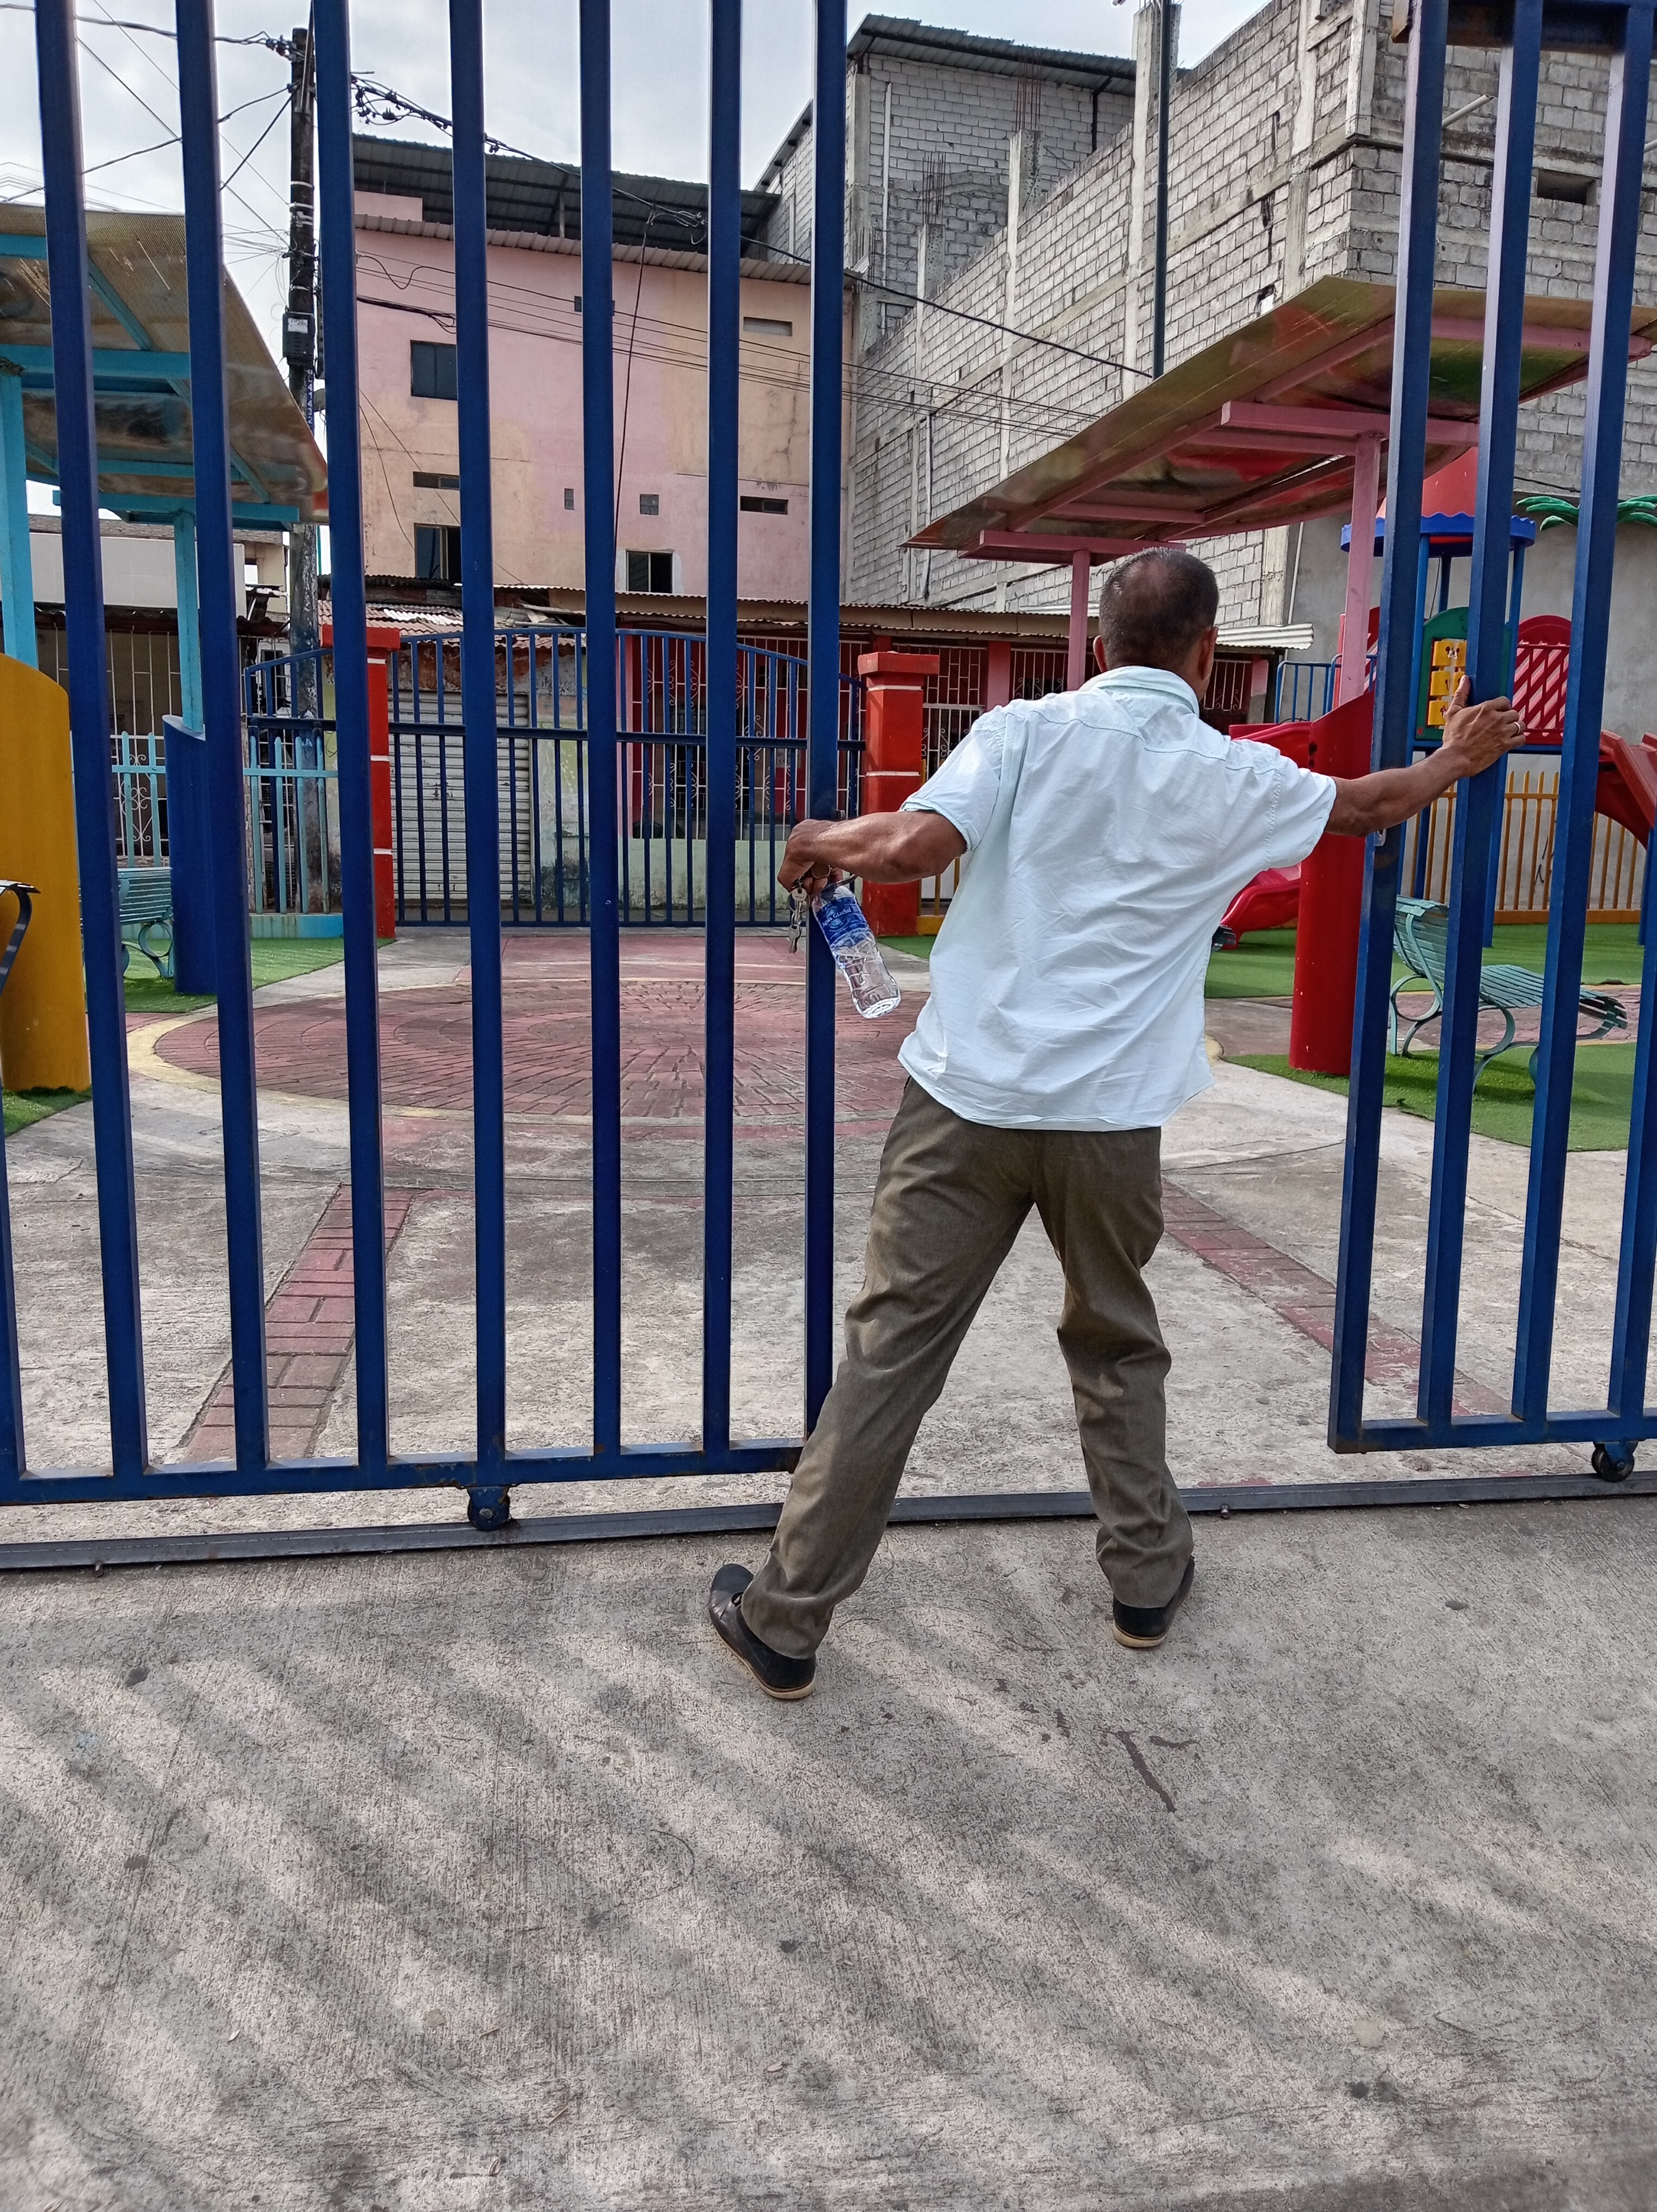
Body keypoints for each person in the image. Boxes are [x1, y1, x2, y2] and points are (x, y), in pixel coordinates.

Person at [708, 547, 1525, 1700]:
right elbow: (1370, 805)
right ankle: (1144, 1582)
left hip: (966, 1103)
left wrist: (816, 838)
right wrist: (1455, 756)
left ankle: (786, 1624)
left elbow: (910, 849)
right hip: (1112, 1122)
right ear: (1208, 653)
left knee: (891, 1353)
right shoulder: (1235, 773)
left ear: (1098, 644)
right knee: (1115, 1343)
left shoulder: (1022, 731)